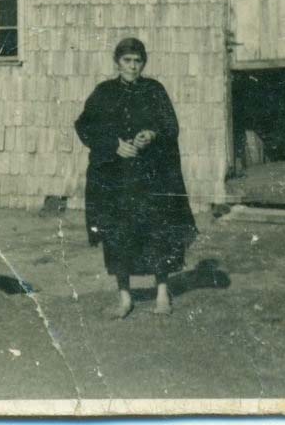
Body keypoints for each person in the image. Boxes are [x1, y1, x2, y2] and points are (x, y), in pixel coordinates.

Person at [74, 37, 197, 319]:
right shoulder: (103, 93)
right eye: (127, 61)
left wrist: (151, 134)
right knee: (118, 234)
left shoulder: (154, 90)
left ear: (144, 63)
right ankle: (125, 297)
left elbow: (170, 126)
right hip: (115, 178)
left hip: (150, 177)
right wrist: (114, 145)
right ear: (117, 62)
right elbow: (84, 127)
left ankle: (162, 293)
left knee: (156, 231)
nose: (132, 66)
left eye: (137, 61)